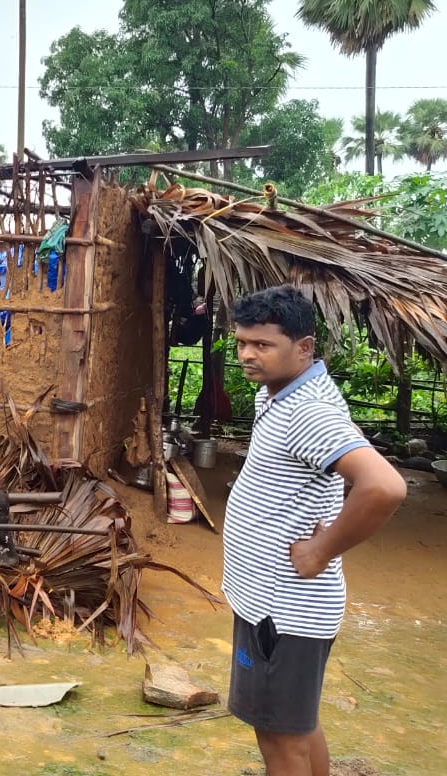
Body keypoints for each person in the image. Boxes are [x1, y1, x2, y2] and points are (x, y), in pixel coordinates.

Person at [223, 285, 406, 775]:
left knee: (279, 740)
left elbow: (384, 487)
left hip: (282, 612)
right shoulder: (283, 393)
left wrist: (321, 550)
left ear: (303, 348)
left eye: (262, 345)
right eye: (241, 342)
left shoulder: (307, 411)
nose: (246, 354)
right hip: (272, 604)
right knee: (295, 726)